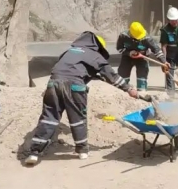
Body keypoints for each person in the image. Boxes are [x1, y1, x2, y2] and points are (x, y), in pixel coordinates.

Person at [25, 31, 138, 165]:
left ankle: (35, 152)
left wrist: (49, 89)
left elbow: (63, 70)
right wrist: (129, 89)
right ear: (97, 47)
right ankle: (82, 151)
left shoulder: (70, 52)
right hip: (74, 87)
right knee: (78, 118)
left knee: (49, 118)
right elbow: (110, 75)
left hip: (53, 84)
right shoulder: (94, 55)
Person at [116, 21, 169, 92]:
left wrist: (164, 61)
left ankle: (141, 94)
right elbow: (119, 49)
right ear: (131, 34)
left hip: (142, 58)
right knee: (122, 78)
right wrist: (129, 53)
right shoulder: (123, 36)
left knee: (142, 80)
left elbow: (156, 50)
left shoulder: (146, 38)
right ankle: (123, 93)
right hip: (127, 58)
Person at [160, 7, 178, 97]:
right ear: (168, 20)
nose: (174, 22)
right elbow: (164, 46)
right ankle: (171, 95)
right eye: (172, 20)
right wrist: (164, 61)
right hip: (170, 56)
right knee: (170, 75)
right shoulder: (165, 30)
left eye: (175, 20)